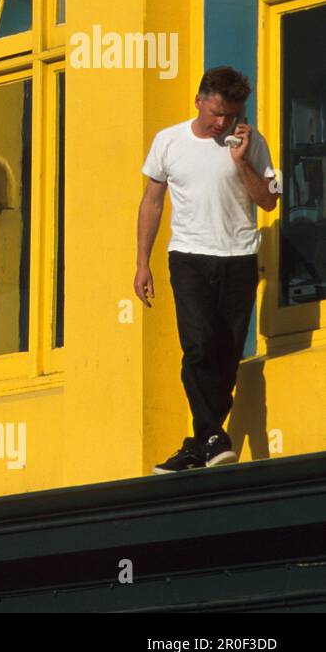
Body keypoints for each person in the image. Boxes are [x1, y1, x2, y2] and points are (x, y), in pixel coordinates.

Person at [134, 66, 280, 473]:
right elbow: (151, 204)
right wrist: (142, 263)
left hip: (239, 257)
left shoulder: (251, 144)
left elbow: (268, 201)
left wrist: (242, 161)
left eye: (231, 115)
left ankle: (200, 444)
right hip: (189, 258)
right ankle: (214, 436)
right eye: (217, 113)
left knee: (226, 355)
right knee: (198, 346)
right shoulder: (169, 141)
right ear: (199, 100)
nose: (223, 123)